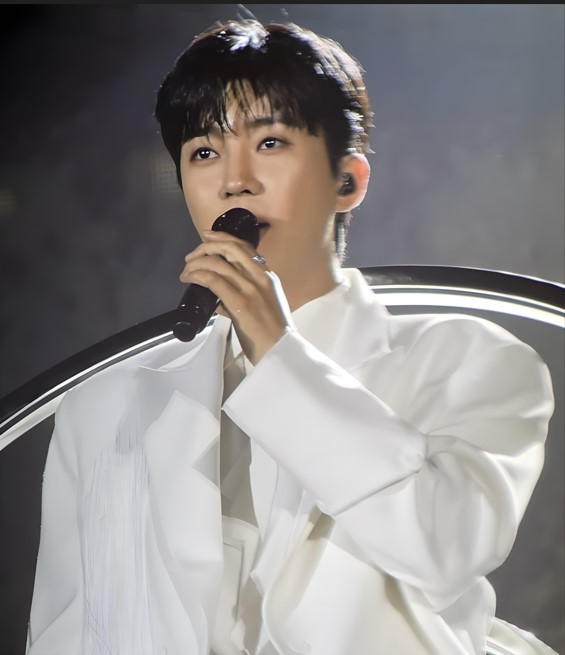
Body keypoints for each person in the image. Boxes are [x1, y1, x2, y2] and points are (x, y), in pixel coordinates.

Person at [26, 18, 554, 655]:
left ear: (348, 181)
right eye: (204, 152)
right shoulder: (106, 405)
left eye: (271, 142)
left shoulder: (468, 359)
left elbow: (446, 548)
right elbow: (70, 631)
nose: (235, 180)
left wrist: (279, 353)